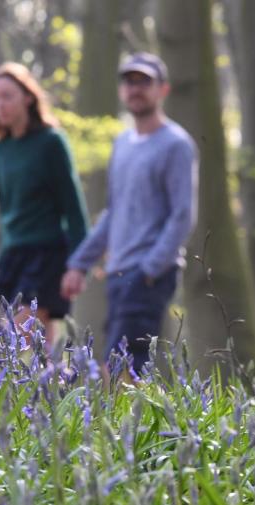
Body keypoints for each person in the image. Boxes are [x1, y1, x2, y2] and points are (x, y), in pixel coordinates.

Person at [61, 52, 197, 375]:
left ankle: (123, 426)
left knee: (122, 364)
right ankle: (133, 424)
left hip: (148, 273)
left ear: (162, 89)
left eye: (144, 82)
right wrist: (79, 263)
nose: (135, 89)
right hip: (118, 273)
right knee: (125, 364)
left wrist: (150, 269)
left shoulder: (176, 144)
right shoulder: (122, 144)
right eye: (129, 82)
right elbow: (113, 214)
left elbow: (182, 215)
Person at [0, 62, 89, 345]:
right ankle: (55, 386)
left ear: (27, 97)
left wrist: (79, 264)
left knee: (17, 338)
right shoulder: (2, 148)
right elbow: (6, 210)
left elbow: (74, 208)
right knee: (43, 347)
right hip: (14, 256)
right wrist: (3, 256)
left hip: (47, 254)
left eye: (7, 96)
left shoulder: (51, 143)